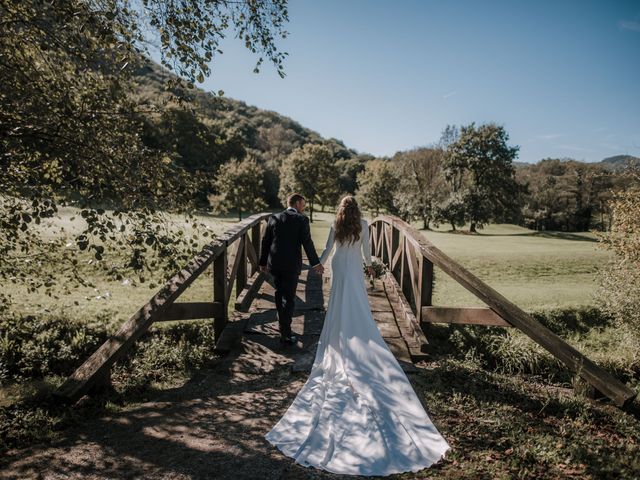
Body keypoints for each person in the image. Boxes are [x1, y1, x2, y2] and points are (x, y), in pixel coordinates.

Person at [265, 195, 450, 476]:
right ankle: (357, 332)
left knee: (338, 301)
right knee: (357, 300)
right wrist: (374, 268)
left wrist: (318, 265)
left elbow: (328, 250)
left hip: (339, 266)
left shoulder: (334, 224)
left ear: (340, 209)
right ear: (357, 210)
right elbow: (367, 255)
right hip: (353, 268)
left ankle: (339, 333)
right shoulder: (363, 224)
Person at [259, 193, 324, 345]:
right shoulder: (302, 220)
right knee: (288, 299)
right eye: (303, 204)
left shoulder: (274, 218)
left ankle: (283, 327)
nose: (304, 207)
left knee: (278, 294)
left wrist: (262, 262)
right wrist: (316, 263)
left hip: (274, 264)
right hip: (291, 266)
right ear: (296, 204)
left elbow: (265, 241)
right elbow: (307, 243)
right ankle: (286, 334)